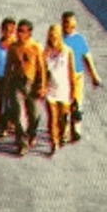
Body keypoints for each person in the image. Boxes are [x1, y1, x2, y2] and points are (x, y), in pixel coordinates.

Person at [3, 19, 47, 156]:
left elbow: (41, 68)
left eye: (22, 31)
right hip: (17, 83)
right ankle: (21, 143)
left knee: (34, 114)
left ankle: (32, 133)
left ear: (29, 33)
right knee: (18, 114)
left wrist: (42, 86)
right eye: (18, 31)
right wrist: (6, 84)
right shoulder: (13, 47)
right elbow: (8, 67)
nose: (19, 34)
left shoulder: (35, 47)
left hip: (32, 84)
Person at [60, 11, 103, 144]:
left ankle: (76, 130)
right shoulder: (58, 38)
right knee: (64, 106)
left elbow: (87, 57)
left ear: (74, 24)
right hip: (62, 77)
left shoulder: (79, 39)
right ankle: (64, 132)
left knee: (77, 105)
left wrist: (94, 75)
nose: (66, 25)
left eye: (69, 22)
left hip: (77, 76)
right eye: (65, 22)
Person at [41, 25, 76, 157]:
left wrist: (73, 91)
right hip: (51, 91)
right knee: (52, 119)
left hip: (64, 90)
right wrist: (43, 87)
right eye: (50, 35)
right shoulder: (46, 53)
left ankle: (62, 135)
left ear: (60, 36)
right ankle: (53, 143)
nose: (52, 38)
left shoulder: (68, 51)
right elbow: (43, 72)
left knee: (62, 119)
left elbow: (72, 72)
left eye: (55, 35)